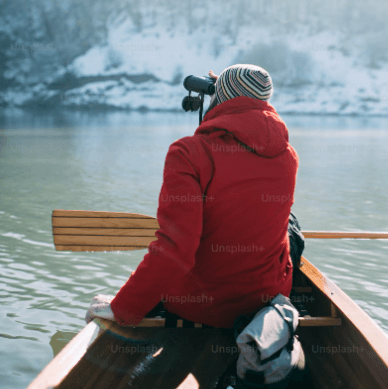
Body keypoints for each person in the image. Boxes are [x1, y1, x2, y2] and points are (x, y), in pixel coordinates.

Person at [86, 64, 304, 328]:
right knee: (289, 224)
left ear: (220, 98)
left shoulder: (188, 153)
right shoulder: (288, 155)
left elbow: (178, 247)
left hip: (200, 306)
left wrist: (123, 307)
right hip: (266, 297)